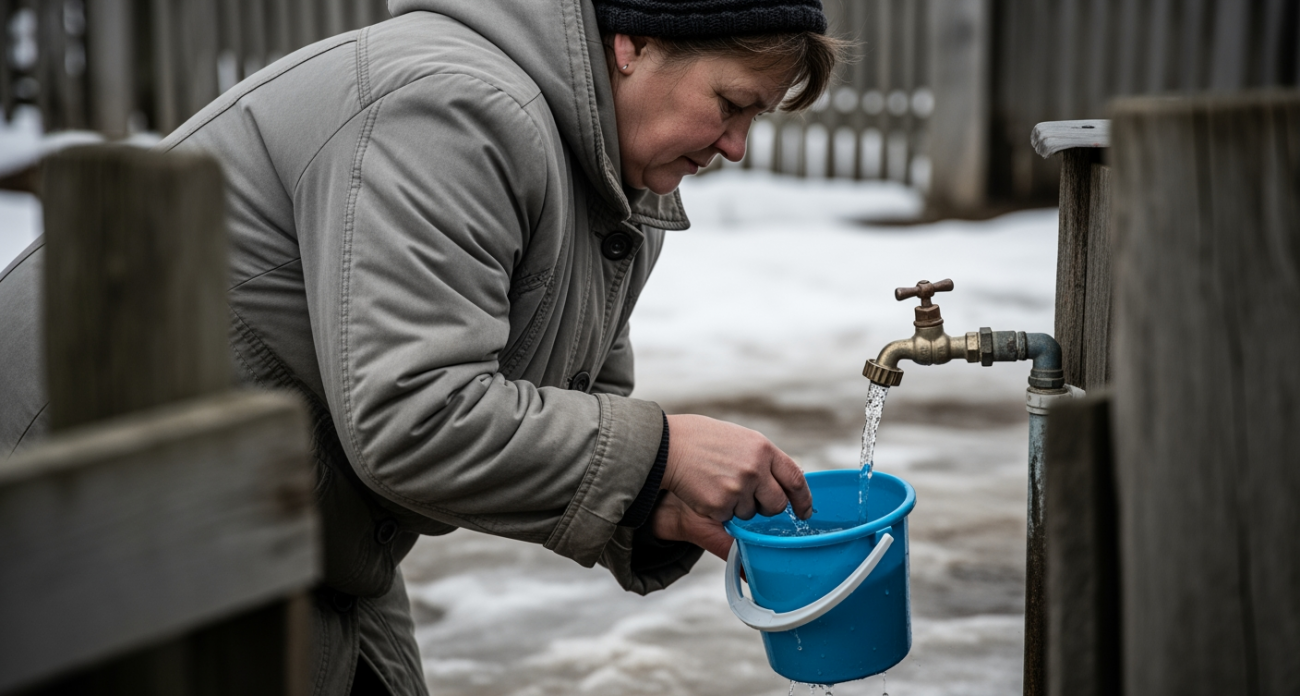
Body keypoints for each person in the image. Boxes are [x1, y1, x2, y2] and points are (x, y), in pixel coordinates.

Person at [0, 0, 842, 693]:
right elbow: (413, 418)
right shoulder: (450, 109)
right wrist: (660, 454)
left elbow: (572, 411)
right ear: (635, 42)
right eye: (730, 105)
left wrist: (652, 502)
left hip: (286, 533)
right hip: (75, 530)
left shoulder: (614, 189)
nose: (736, 146)